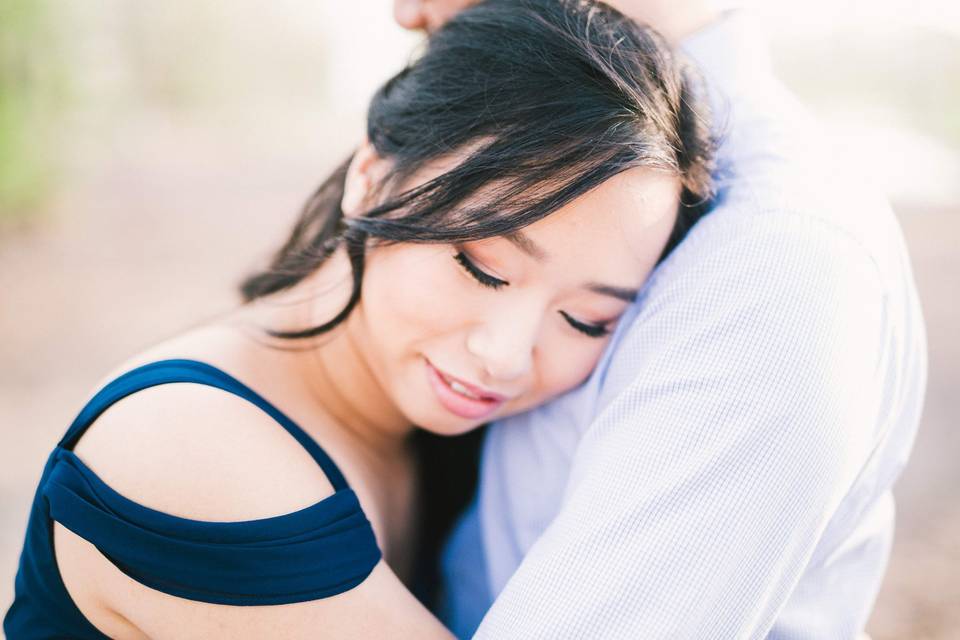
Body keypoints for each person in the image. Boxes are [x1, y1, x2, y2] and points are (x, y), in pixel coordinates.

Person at [3, 1, 716, 638]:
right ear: (370, 176)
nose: (505, 355)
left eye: (586, 319)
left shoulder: (454, 428)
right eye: (483, 268)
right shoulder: (187, 447)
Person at [391, 1, 928, 638]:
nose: (406, 12)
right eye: (482, 265)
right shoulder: (519, 128)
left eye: (589, 319)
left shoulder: (769, 261)